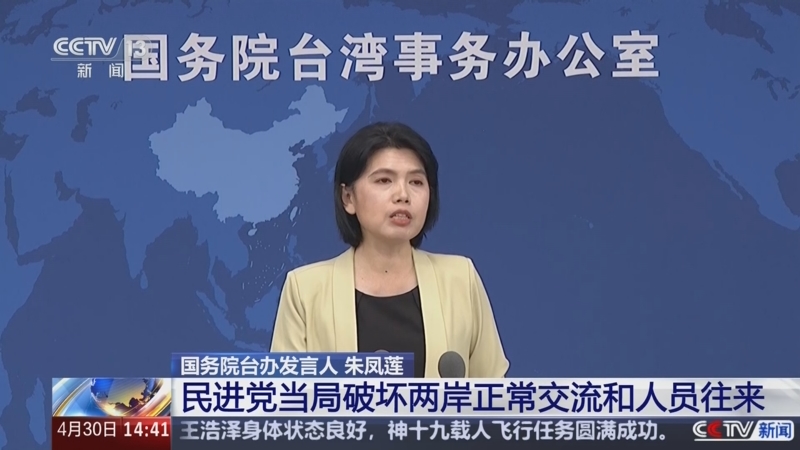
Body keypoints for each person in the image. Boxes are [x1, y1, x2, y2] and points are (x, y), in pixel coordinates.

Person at [270, 122, 508, 378]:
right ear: (348, 198)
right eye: (384, 180)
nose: (403, 195)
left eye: (416, 182)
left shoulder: (460, 278)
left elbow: (494, 389)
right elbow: (286, 394)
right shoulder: (305, 290)